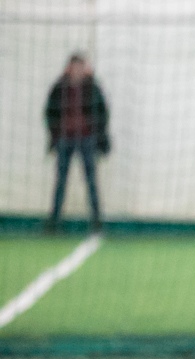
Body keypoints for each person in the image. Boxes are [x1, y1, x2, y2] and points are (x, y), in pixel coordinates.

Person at [44, 53, 109, 232]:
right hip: (65, 139)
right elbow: (50, 112)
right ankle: (54, 221)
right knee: (61, 181)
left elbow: (102, 113)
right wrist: (55, 136)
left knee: (91, 180)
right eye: (75, 67)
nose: (78, 71)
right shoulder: (59, 88)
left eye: (81, 67)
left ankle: (96, 221)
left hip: (87, 138)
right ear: (69, 68)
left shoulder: (92, 88)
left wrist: (100, 137)